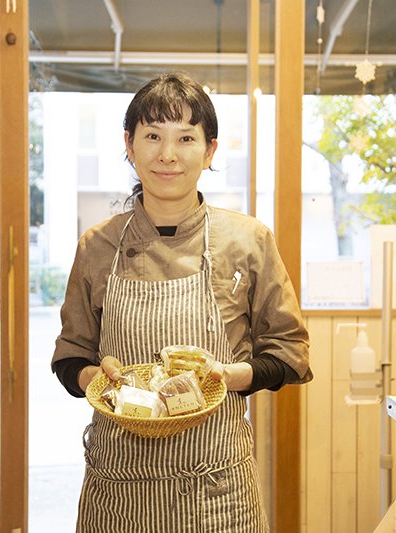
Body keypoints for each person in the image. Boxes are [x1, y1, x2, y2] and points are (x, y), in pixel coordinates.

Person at [52, 72, 312, 533]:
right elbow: (71, 357)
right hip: (118, 491)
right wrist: (99, 379)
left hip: (217, 494)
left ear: (210, 150)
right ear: (129, 144)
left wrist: (232, 376)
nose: (167, 155)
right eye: (153, 136)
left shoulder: (247, 241)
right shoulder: (97, 246)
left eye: (185, 138)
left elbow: (290, 353)